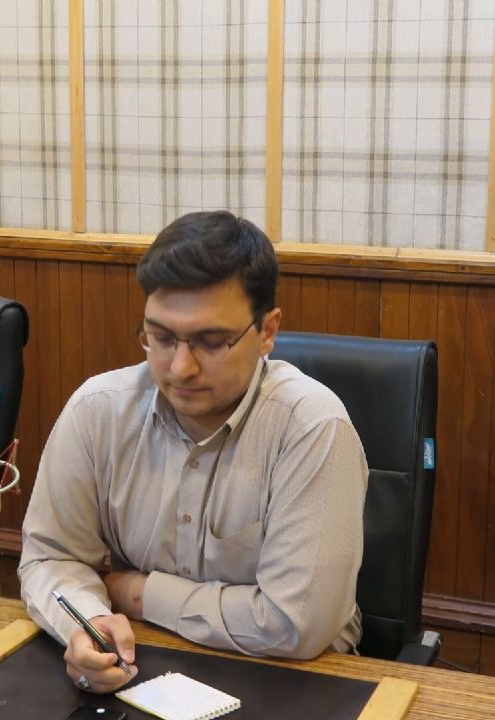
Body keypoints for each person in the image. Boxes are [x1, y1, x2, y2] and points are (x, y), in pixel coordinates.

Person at [18, 210, 367, 694]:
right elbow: (50, 558)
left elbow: (293, 625)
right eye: (161, 338)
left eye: (211, 342)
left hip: (293, 680)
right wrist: (90, 621)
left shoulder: (310, 427)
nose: (180, 368)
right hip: (142, 664)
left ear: (267, 331)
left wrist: (138, 593)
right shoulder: (99, 411)